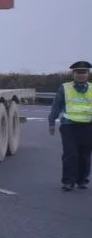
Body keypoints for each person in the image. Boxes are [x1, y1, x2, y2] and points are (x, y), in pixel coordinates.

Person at [48, 60, 92, 191]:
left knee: (85, 156)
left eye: (84, 72)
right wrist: (51, 122)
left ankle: (82, 180)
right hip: (69, 127)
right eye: (78, 72)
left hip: (88, 127)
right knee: (70, 154)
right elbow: (56, 106)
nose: (81, 75)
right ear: (73, 74)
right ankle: (68, 181)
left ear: (88, 74)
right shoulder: (65, 88)